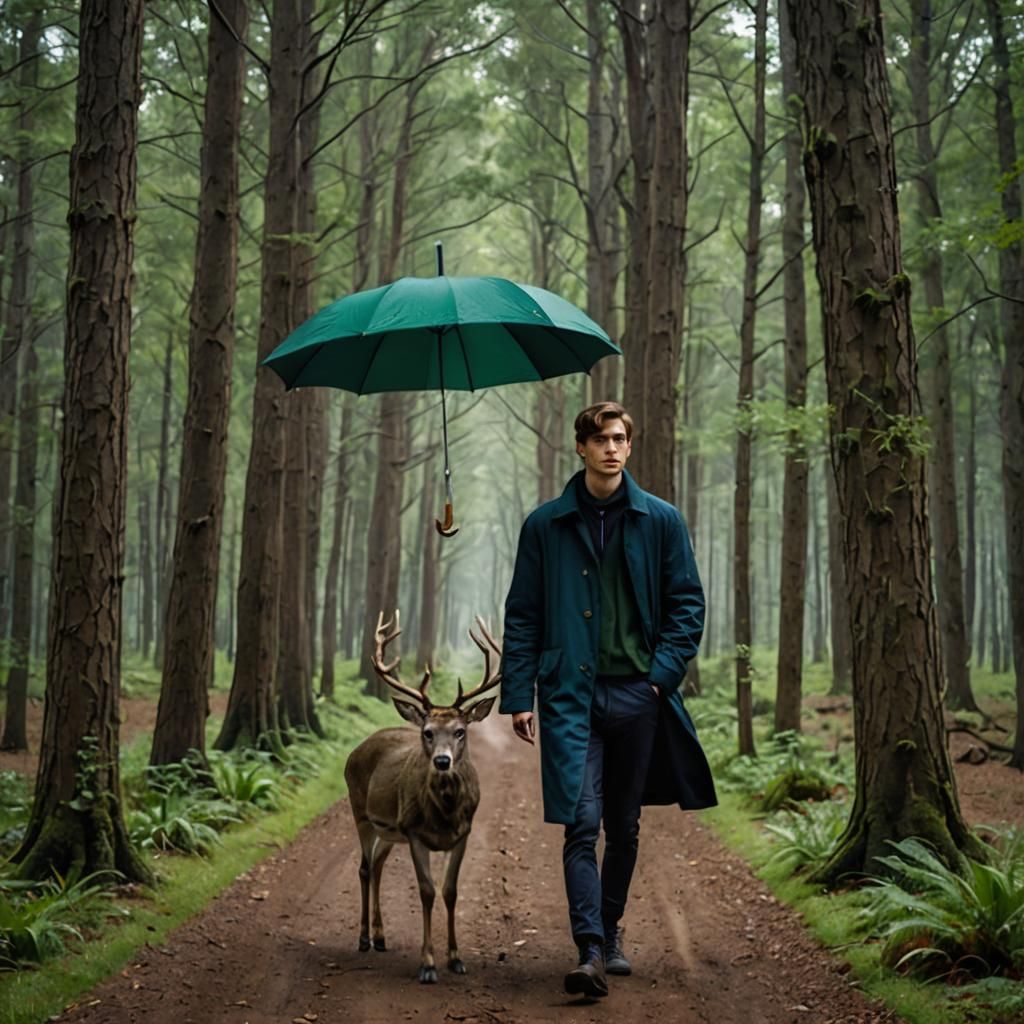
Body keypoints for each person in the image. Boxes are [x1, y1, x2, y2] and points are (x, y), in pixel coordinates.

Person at [499, 400, 716, 998]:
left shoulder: (662, 521)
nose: (612, 448)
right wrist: (520, 694)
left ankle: (612, 929)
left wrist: (658, 679)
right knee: (580, 822)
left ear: (630, 445)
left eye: (620, 438)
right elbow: (523, 615)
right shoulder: (545, 525)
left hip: (638, 695)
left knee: (623, 826)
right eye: (601, 440)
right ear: (581, 447)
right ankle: (590, 948)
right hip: (570, 694)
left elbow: (687, 606)